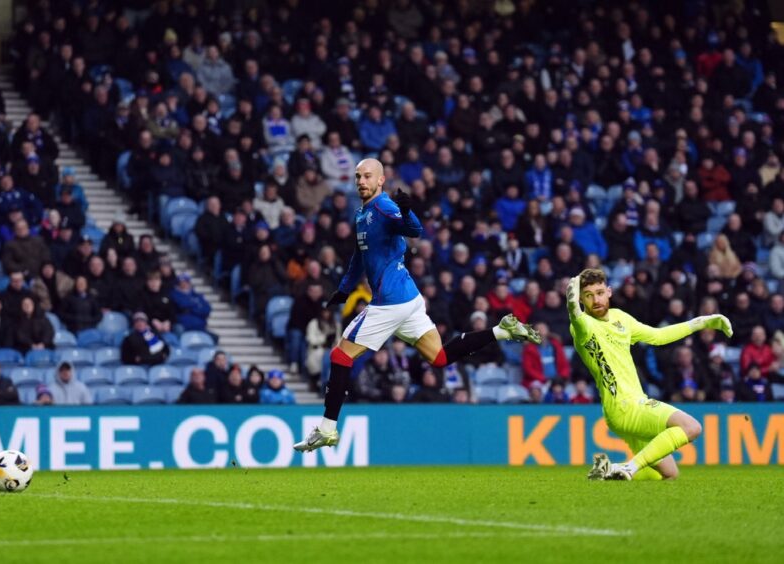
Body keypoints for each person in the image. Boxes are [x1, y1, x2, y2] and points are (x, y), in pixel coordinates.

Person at [295, 159, 540, 452]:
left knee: (340, 356)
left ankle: (327, 428)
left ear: (381, 180)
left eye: (367, 176)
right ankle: (501, 331)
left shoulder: (384, 207)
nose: (361, 181)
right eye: (358, 176)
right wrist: (345, 289)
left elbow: (414, 229)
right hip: (409, 299)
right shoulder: (361, 214)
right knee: (439, 357)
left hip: (390, 302)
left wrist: (407, 210)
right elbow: (359, 258)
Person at [568, 269, 733, 481]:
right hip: (626, 406)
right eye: (588, 296)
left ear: (609, 292)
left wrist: (702, 322)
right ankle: (629, 467)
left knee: (669, 474)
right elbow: (577, 319)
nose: (596, 300)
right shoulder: (584, 326)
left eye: (599, 292)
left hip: (625, 408)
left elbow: (658, 336)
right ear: (581, 299)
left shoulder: (621, 318)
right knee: (692, 427)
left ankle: (607, 472)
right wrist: (572, 306)